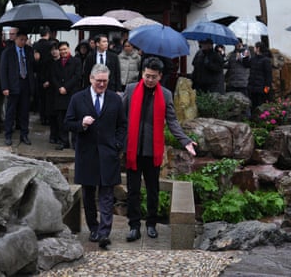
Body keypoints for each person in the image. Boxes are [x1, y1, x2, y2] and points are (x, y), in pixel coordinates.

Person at [123, 57, 197, 242]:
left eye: (153, 77)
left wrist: (185, 140)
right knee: (132, 190)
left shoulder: (165, 94)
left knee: (153, 189)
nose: (149, 80)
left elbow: (172, 121)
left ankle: (151, 224)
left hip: (152, 150)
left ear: (160, 76)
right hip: (132, 149)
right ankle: (133, 226)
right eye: (147, 76)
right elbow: (121, 116)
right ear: (142, 73)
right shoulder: (131, 90)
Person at [64, 64, 127, 249]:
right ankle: (93, 228)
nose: (101, 84)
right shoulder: (78, 98)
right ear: (91, 79)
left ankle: (104, 232)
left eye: (104, 81)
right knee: (89, 194)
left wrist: (117, 144)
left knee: (107, 193)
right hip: (87, 154)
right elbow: (67, 123)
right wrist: (81, 124)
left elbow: (122, 125)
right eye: (98, 81)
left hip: (108, 153)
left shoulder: (115, 99)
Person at [0, 30, 35, 146]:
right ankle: (8, 134)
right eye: (21, 40)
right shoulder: (8, 52)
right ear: (16, 39)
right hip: (13, 84)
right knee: (11, 111)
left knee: (24, 111)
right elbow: (3, 70)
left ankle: (24, 134)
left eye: (25, 40)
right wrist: (5, 87)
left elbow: (33, 67)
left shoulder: (29, 51)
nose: (23, 42)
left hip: (26, 83)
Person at [49, 41, 82, 150]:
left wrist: (66, 87)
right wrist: (59, 87)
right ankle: (64, 141)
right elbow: (53, 77)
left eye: (65, 49)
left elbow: (77, 76)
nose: (63, 51)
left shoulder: (76, 61)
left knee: (73, 118)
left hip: (72, 93)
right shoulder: (55, 63)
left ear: (69, 49)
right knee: (61, 119)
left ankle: (75, 142)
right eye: (61, 49)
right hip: (59, 94)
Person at [243, 41, 272, 110]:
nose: (254, 49)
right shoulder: (253, 58)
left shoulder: (266, 60)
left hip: (261, 87)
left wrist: (267, 87)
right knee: (252, 105)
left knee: (260, 105)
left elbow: (268, 74)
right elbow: (246, 65)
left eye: (255, 47)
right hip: (252, 87)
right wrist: (245, 56)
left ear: (258, 48)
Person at [33, 26, 53, 125]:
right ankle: (48, 117)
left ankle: (42, 117)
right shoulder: (51, 45)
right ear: (48, 34)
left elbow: (35, 60)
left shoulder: (36, 45)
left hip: (39, 75)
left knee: (41, 98)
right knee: (49, 98)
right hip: (49, 75)